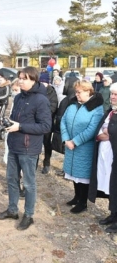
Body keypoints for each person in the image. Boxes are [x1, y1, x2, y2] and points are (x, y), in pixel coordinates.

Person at [0, 66, 52, 231]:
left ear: (34, 80)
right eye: (20, 77)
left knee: (28, 184)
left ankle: (29, 215)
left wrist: (20, 127)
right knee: (12, 179)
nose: (20, 80)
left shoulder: (41, 100)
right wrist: (9, 124)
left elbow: (45, 126)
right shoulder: (19, 97)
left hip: (28, 148)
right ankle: (12, 210)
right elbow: (15, 120)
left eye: (25, 78)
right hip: (14, 144)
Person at [61, 80, 103, 214]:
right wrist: (66, 139)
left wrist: (75, 141)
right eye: (76, 92)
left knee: (83, 175)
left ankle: (83, 202)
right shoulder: (73, 104)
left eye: (79, 92)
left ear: (88, 91)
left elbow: (92, 129)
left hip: (84, 147)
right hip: (70, 145)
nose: (76, 94)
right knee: (73, 172)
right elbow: (63, 121)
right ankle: (76, 196)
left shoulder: (97, 108)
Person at [89, 83, 117, 233]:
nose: (113, 97)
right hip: (106, 155)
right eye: (112, 94)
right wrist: (101, 136)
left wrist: (109, 134)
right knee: (111, 186)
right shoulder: (111, 112)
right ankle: (113, 214)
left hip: (114, 154)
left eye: (116, 95)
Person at [39, 75, 58, 174]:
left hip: (47, 122)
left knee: (46, 143)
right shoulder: (36, 91)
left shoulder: (52, 92)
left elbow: (53, 107)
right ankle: (35, 162)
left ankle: (46, 163)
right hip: (36, 122)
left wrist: (42, 114)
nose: (42, 84)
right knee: (36, 143)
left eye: (44, 82)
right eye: (41, 82)